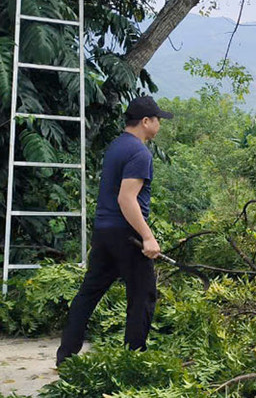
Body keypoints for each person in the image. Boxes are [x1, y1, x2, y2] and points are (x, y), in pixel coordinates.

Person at [56, 96, 173, 366]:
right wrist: (147, 236)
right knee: (143, 295)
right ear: (146, 122)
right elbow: (126, 199)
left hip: (104, 232)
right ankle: (133, 360)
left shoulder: (117, 146)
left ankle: (66, 358)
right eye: (157, 120)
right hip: (127, 235)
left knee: (89, 293)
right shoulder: (140, 152)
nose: (159, 125)